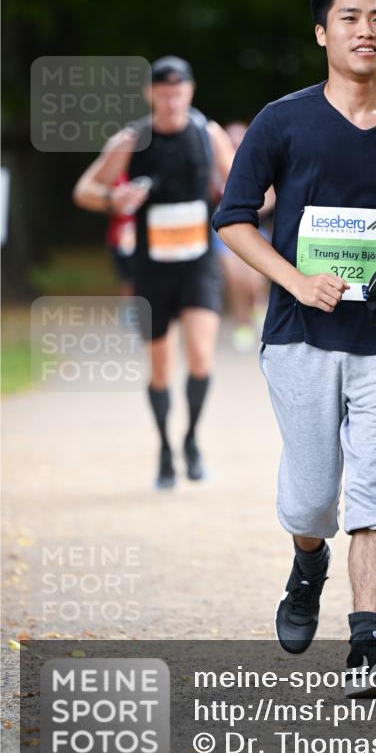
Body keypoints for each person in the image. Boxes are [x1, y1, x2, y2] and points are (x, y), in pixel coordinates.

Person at [213, 0, 376, 696]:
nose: (365, 30)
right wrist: (294, 280)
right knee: (313, 496)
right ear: (323, 33)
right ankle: (307, 559)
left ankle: (366, 642)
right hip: (298, 334)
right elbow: (231, 218)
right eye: (350, 18)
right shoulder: (282, 120)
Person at [73, 56, 234, 488]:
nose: (170, 98)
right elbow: (85, 189)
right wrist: (115, 199)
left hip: (199, 263)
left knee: (200, 356)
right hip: (151, 267)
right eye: (162, 91)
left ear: (190, 91)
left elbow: (243, 184)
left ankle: (192, 440)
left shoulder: (207, 134)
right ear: (150, 94)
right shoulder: (132, 139)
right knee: (160, 368)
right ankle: (164, 448)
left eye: (177, 90)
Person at [214, 121, 274, 352]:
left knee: (254, 280)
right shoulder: (216, 166)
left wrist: (249, 207)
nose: (235, 144)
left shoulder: (257, 165)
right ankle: (242, 323)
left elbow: (270, 196)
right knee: (234, 277)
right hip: (224, 231)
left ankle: (258, 304)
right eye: (231, 140)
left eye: (240, 140)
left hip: (253, 228)